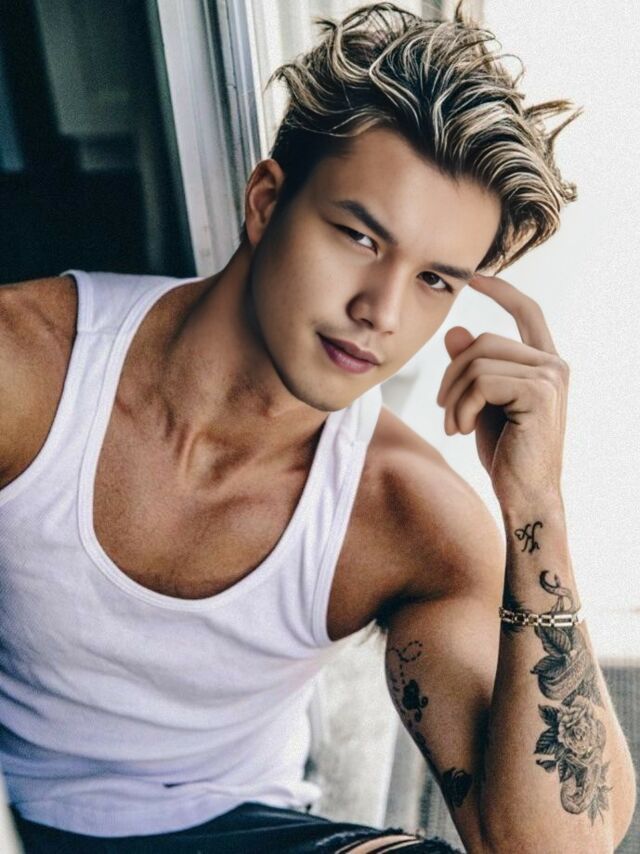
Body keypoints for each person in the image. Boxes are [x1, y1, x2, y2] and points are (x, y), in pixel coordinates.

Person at [0, 1, 636, 852]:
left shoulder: (399, 514)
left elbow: (552, 848)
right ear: (266, 202)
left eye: (435, 280)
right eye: (360, 238)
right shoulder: (29, 372)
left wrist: (537, 506)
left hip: (235, 828)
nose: (382, 312)